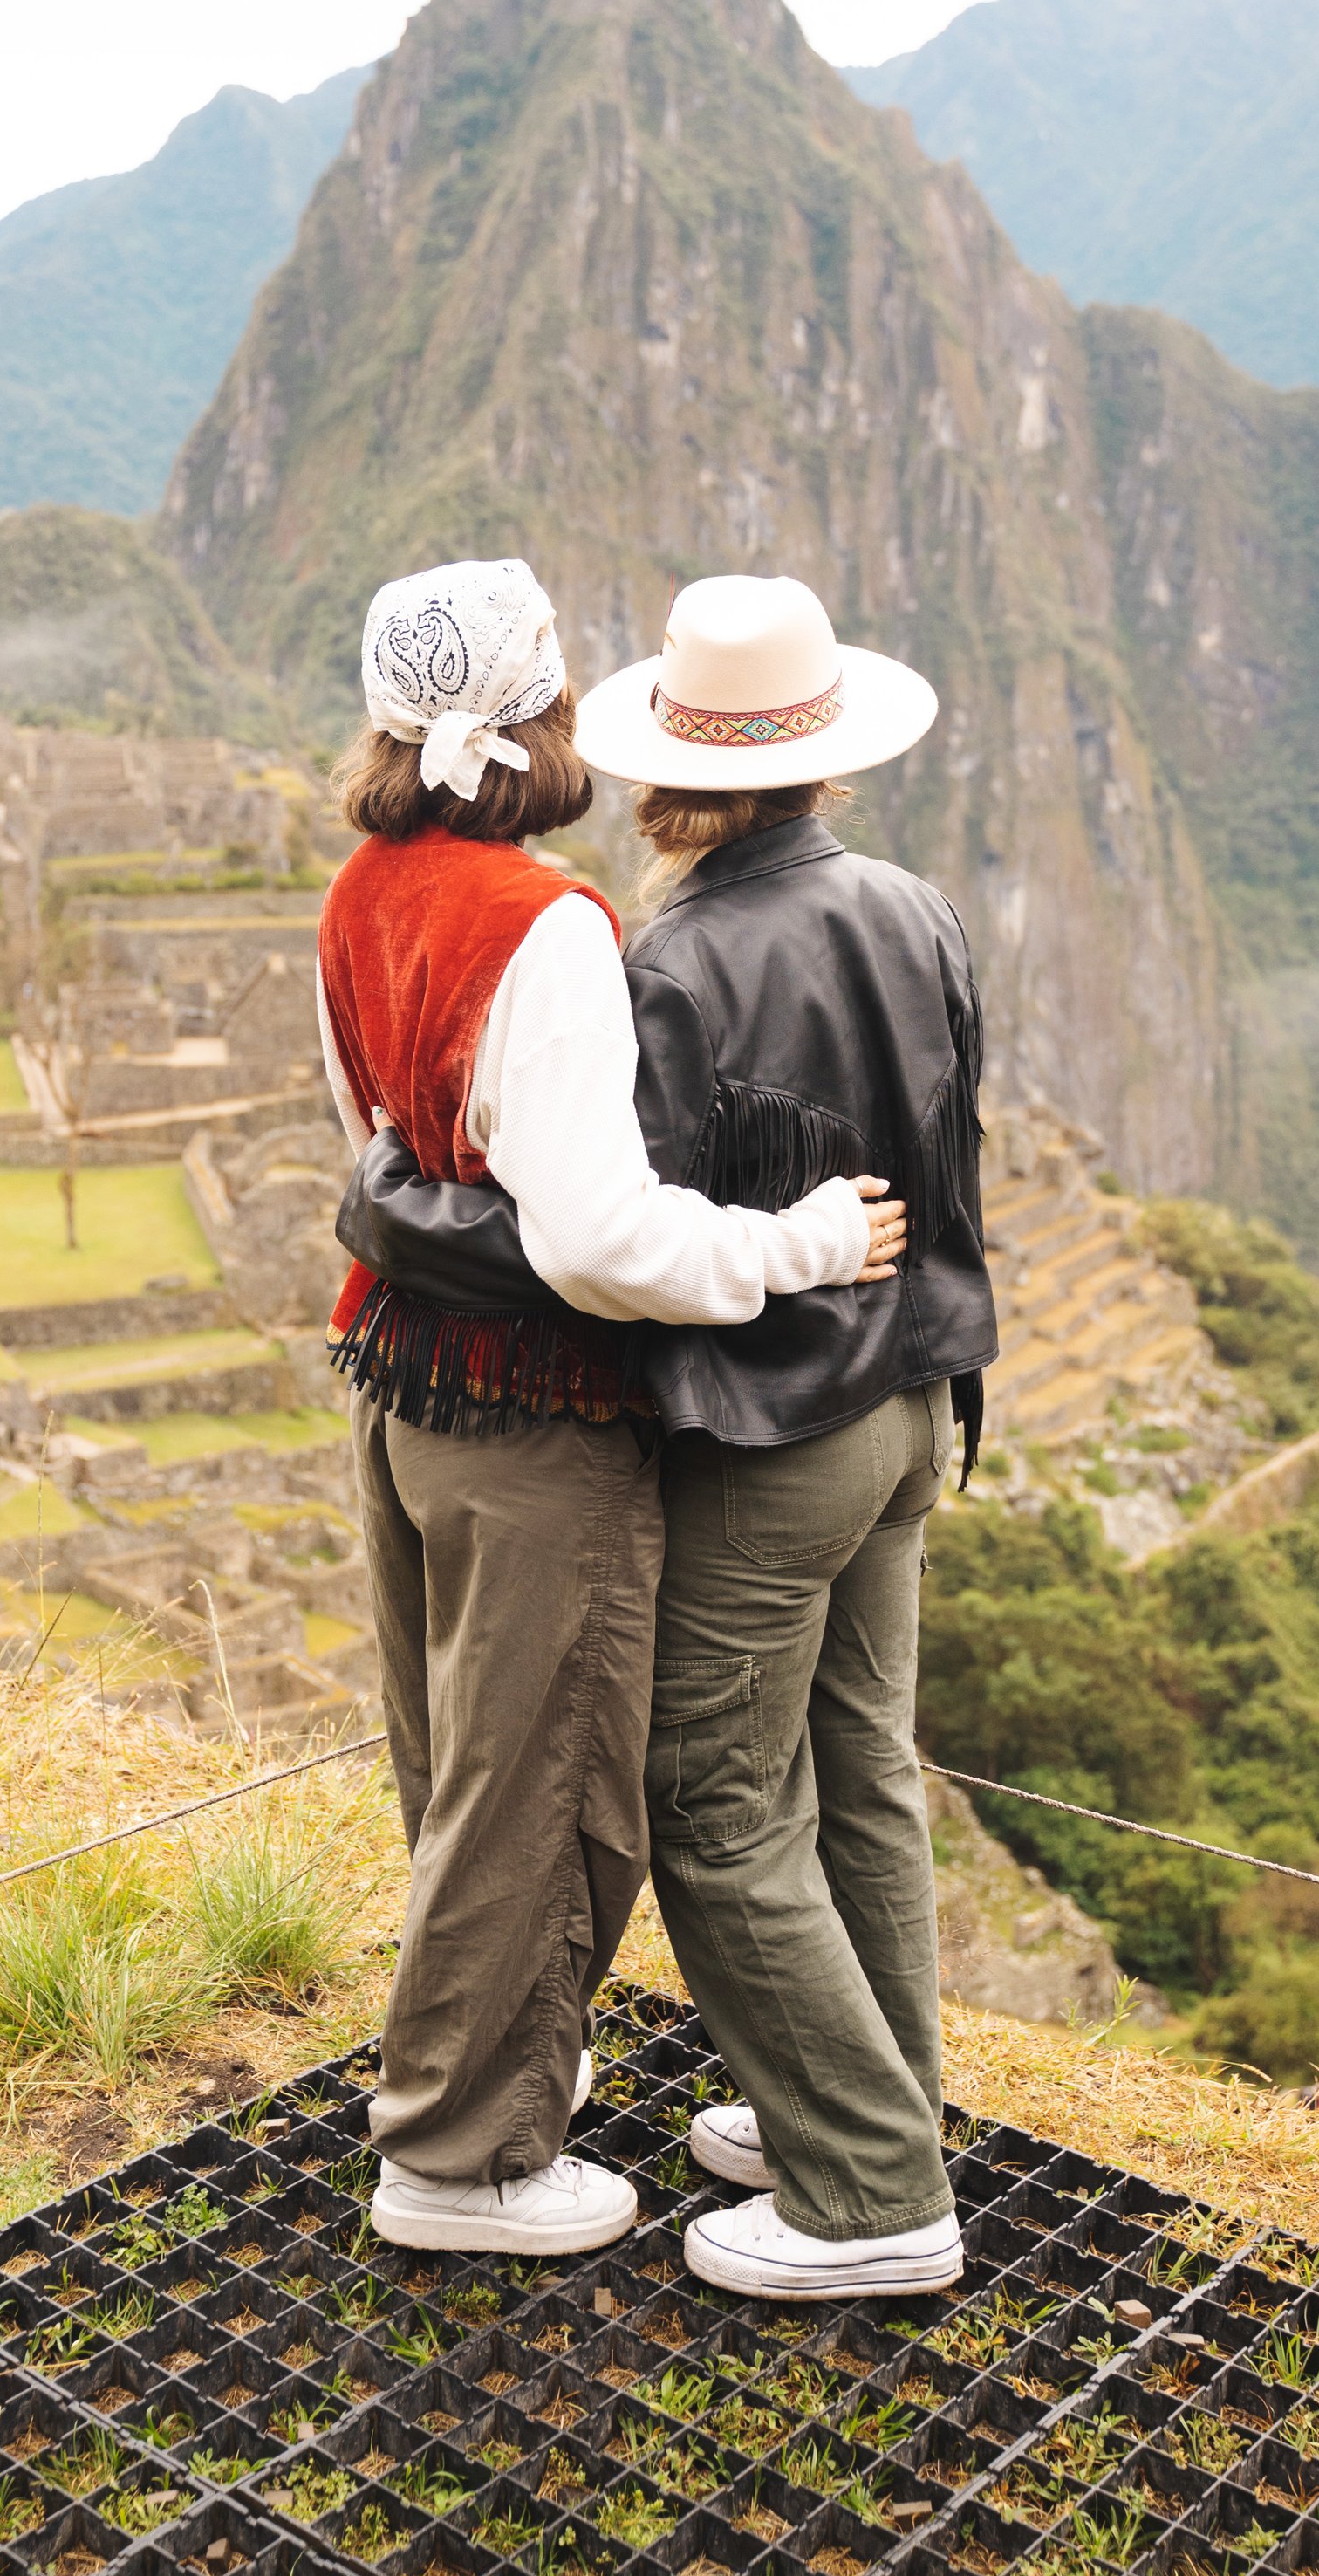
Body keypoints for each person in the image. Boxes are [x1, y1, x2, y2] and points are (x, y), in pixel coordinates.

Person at [353, 572, 998, 2299]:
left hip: (775, 1432)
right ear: (825, 763)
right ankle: (866, 2095)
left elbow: (593, 1233)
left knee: (715, 1800)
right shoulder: (916, 909)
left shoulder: (673, 958)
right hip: (911, 1403)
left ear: (659, 776)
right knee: (858, 1771)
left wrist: (385, 1208)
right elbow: (946, 1169)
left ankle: (867, 2186)